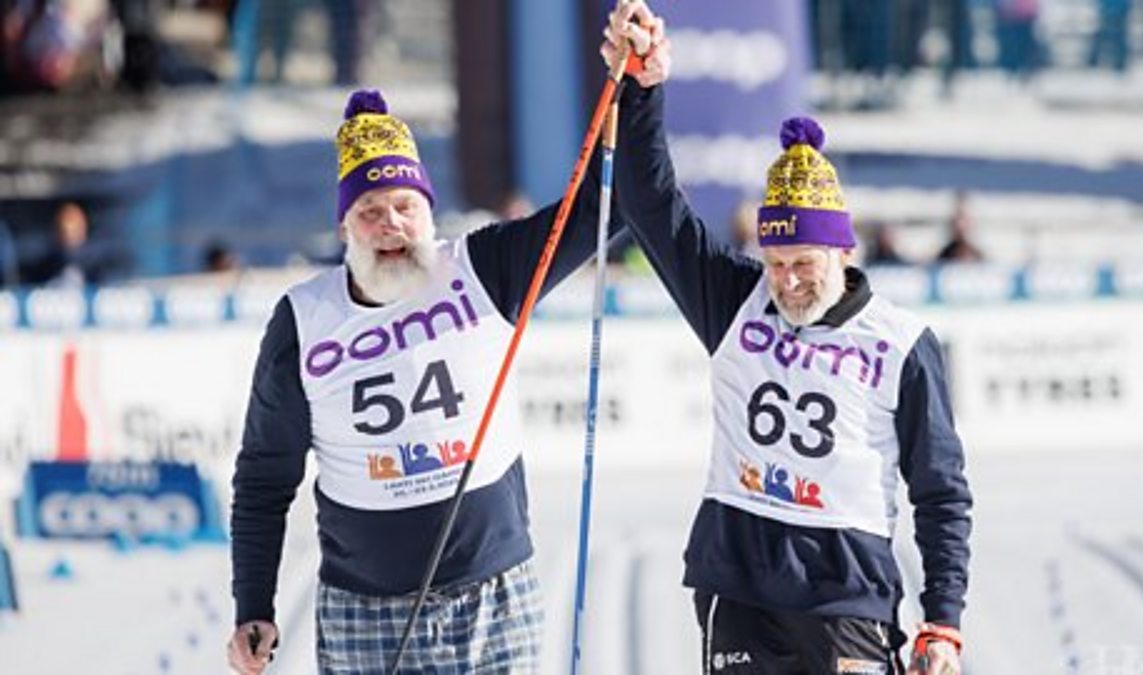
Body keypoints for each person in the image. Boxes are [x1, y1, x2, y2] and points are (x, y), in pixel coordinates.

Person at [223, 78, 662, 672]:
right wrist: (253, 604)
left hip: (493, 600)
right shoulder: (304, 321)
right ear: (345, 227)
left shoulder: (484, 268)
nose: (391, 224)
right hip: (365, 612)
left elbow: (605, 207)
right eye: (370, 212)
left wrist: (640, 88)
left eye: (405, 207)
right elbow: (263, 479)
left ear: (429, 213)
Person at [603, 4, 972, 673]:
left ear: (843, 252)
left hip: (847, 592)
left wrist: (942, 619)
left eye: (805, 262)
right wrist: (642, 89)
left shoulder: (900, 342)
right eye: (776, 263)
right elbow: (650, 204)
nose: (789, 280)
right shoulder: (733, 301)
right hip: (740, 584)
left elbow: (940, 489)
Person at [935, 191, 984, 263]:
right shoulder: (945, 254)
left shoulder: (976, 254)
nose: (960, 227)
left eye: (964, 224)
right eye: (956, 224)